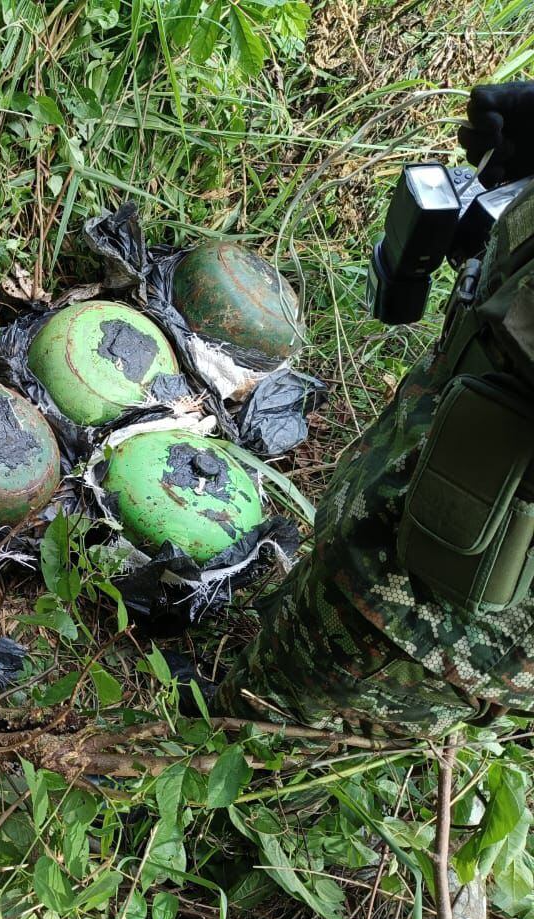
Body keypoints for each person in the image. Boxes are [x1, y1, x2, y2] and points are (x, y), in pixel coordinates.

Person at [212, 82, 534, 737]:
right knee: (344, 574)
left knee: (293, 720)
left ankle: (225, 756)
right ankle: (265, 668)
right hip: (463, 427)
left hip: (462, 594)